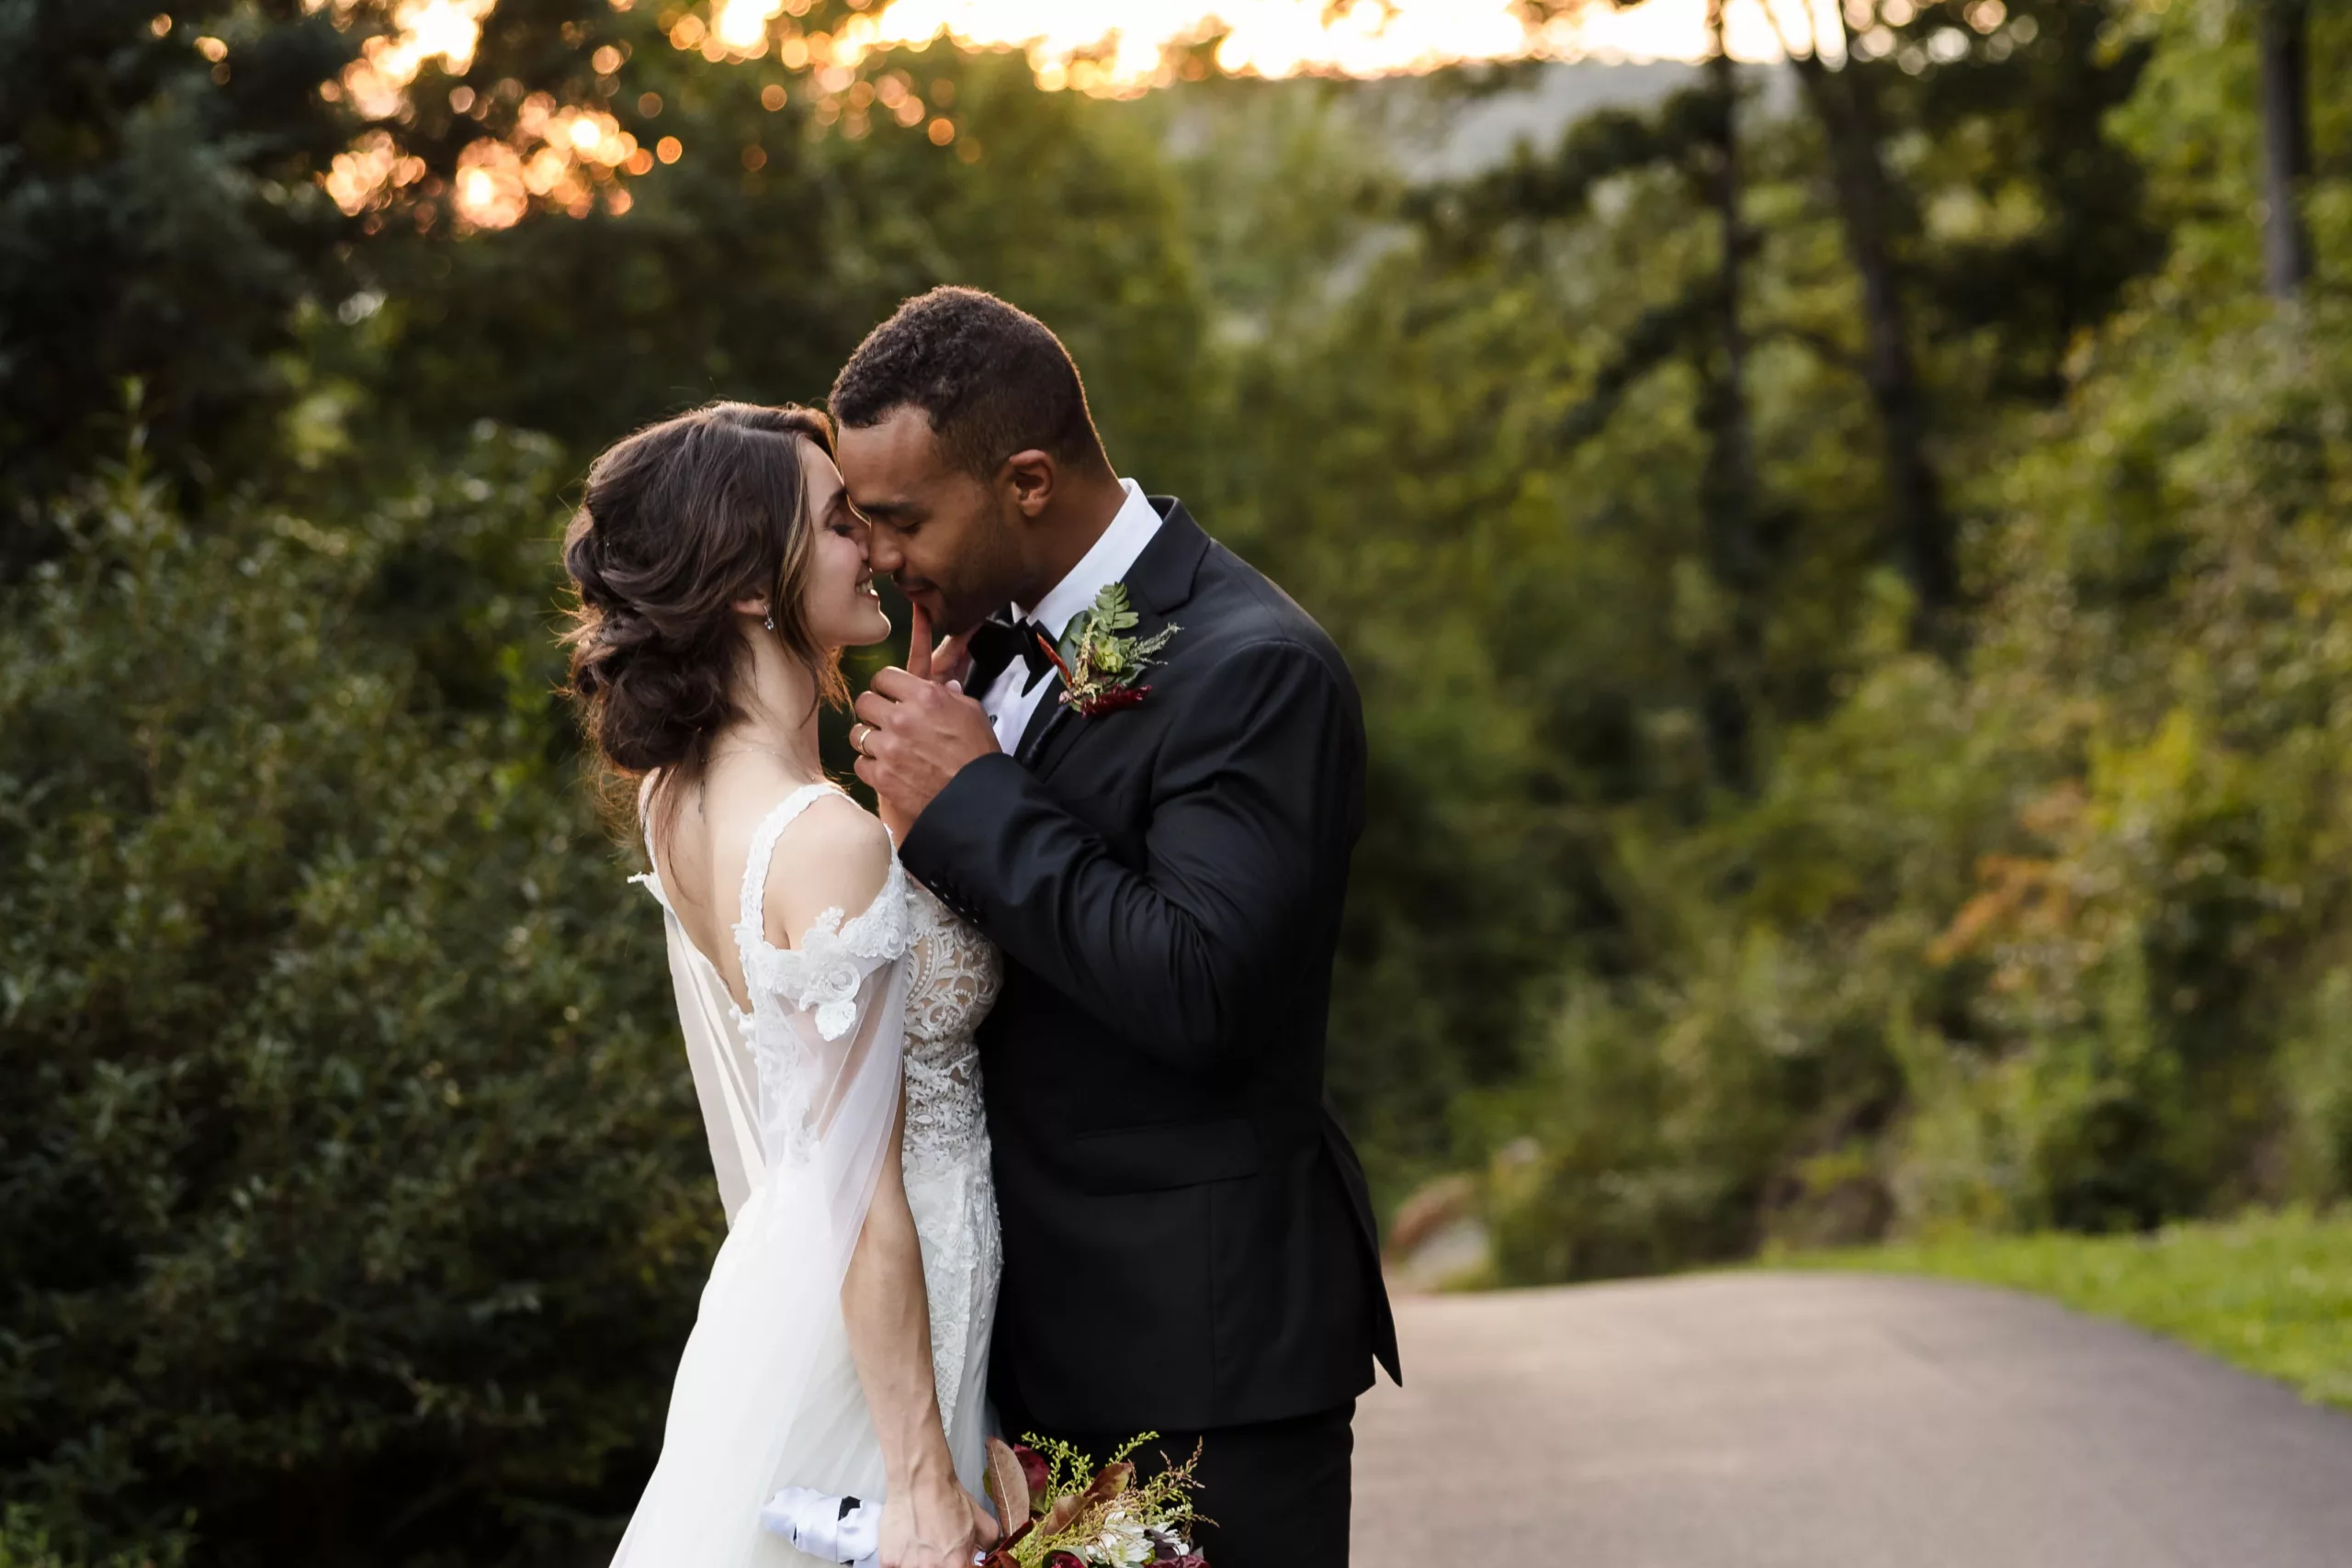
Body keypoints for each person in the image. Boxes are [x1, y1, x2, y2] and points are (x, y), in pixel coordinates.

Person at [834, 288, 1401, 1568]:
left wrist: (973, 799)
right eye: (860, 519)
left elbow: (1200, 983)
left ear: (1026, 479)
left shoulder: (1256, 667)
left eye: (901, 516)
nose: (876, 552)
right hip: (1027, 1350)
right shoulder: (980, 653)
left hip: (1199, 1362)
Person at [560, 401, 1004, 1568]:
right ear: (753, 586)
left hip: (785, 1288)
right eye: (837, 522)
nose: (873, 545)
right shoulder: (819, 839)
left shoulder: (686, 798)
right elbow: (866, 1193)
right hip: (889, 1320)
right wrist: (918, 1481)